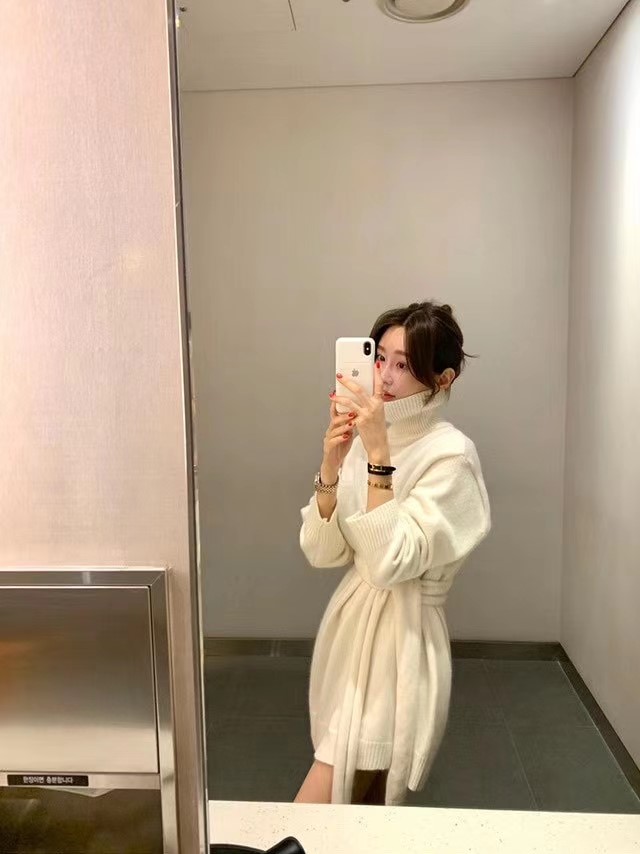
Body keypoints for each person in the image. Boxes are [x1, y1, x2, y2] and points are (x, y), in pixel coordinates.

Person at [295, 300, 491, 807]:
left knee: (323, 801)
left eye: (403, 364)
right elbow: (322, 553)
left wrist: (379, 458)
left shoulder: (452, 456)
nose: (383, 376)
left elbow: (390, 564)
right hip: (352, 633)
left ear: (442, 379)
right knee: (364, 806)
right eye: (379, 357)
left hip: (402, 643)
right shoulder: (363, 439)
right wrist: (332, 464)